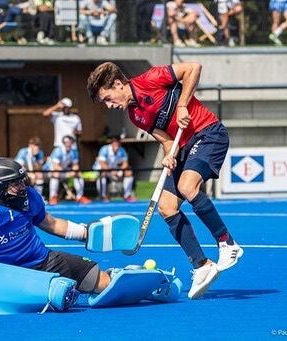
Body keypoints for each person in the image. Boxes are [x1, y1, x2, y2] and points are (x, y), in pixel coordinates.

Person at [86, 61, 243, 299]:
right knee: (166, 207)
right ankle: (202, 265)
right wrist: (169, 155)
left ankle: (227, 243)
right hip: (185, 146)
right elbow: (168, 141)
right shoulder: (135, 115)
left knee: (187, 187)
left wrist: (182, 106)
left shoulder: (151, 78)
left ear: (118, 84)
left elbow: (194, 68)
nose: (109, 105)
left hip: (208, 133)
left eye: (108, 98)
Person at [0, 157, 109, 295]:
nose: (23, 186)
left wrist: (86, 233)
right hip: (1, 276)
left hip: (42, 261)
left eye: (22, 181)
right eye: (16, 183)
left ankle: (115, 276)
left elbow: (52, 224)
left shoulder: (30, 196)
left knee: (102, 281)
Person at [46, 135, 91, 205]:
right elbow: (56, 166)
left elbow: (75, 165)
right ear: (63, 143)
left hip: (64, 171)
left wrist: (74, 171)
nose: (68, 144)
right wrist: (69, 173)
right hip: (50, 171)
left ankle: (80, 196)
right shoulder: (58, 151)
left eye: (70, 142)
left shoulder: (74, 152)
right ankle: (53, 197)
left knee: (78, 174)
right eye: (66, 142)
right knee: (55, 174)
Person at [93, 136, 136, 202]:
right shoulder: (104, 149)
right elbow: (102, 164)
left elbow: (125, 164)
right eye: (114, 143)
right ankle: (103, 196)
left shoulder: (122, 150)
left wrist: (119, 171)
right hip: (102, 170)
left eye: (117, 143)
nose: (116, 144)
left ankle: (127, 195)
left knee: (129, 173)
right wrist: (112, 171)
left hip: (115, 170)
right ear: (111, 143)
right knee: (102, 174)